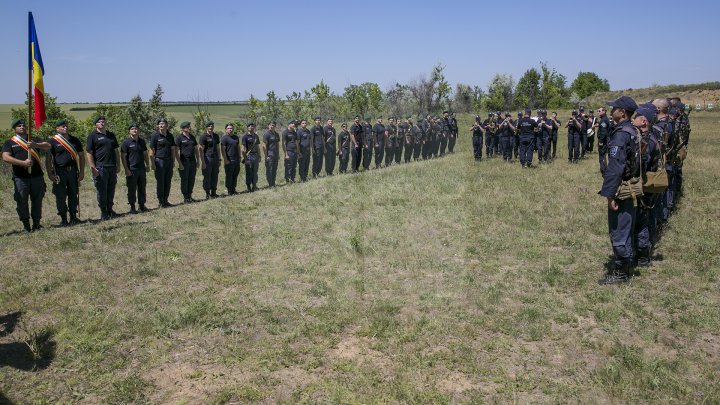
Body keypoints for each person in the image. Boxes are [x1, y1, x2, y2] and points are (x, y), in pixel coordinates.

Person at [598, 96, 640, 285]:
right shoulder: (633, 130)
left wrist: (609, 194)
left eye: (615, 107)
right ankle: (627, 265)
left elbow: (615, 167)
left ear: (622, 112)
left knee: (618, 230)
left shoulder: (622, 134)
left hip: (623, 189)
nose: (611, 110)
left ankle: (620, 274)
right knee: (626, 228)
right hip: (633, 186)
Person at [2, 119, 49, 231]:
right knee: (22, 201)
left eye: (23, 125)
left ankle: (37, 224)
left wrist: (35, 144)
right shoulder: (10, 142)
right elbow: (5, 157)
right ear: (14, 128)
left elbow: (48, 146)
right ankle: (26, 226)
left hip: (37, 176)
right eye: (19, 125)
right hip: (21, 178)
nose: (22, 127)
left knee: (37, 201)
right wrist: (22, 163)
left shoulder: (33, 139)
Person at [632, 104, 661, 267]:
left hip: (643, 186)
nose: (633, 118)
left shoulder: (646, 141)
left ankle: (642, 256)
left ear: (644, 121)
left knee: (641, 221)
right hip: (646, 185)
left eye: (636, 116)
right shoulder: (650, 137)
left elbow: (641, 164)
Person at [46, 119, 84, 225]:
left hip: (73, 171)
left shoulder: (75, 140)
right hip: (59, 172)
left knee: (73, 194)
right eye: (62, 126)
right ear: (57, 128)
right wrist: (50, 174)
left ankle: (73, 217)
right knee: (60, 195)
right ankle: (63, 218)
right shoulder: (52, 141)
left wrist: (81, 172)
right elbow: (48, 159)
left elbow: (81, 156)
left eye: (66, 125)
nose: (65, 127)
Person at [86, 115, 120, 220]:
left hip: (111, 166)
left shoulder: (111, 135)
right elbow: (89, 152)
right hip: (100, 167)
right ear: (96, 124)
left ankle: (110, 209)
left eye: (103, 121)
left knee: (111, 189)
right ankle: (104, 212)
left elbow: (116, 151)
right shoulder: (92, 136)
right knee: (102, 191)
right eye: (100, 122)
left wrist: (118, 164)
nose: (102, 123)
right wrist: (92, 167)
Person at [120, 123, 150, 213]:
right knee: (131, 189)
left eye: (136, 129)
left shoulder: (142, 141)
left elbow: (145, 154)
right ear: (129, 131)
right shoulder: (126, 143)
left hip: (141, 169)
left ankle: (142, 206)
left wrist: (147, 165)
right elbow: (123, 157)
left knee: (142, 187)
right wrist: (126, 169)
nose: (135, 130)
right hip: (131, 169)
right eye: (132, 129)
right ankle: (132, 207)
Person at [149, 118, 176, 207]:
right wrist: (152, 164)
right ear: (158, 126)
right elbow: (151, 151)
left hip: (169, 161)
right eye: (159, 124)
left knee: (168, 181)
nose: (161, 125)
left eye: (163, 123)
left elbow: (173, 149)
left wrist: (173, 160)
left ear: (167, 125)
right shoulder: (155, 136)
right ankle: (161, 202)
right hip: (159, 161)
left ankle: (166, 200)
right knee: (160, 182)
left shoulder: (170, 136)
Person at [175, 121, 200, 203]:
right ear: (183, 128)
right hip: (184, 162)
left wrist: (198, 160)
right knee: (185, 179)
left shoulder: (192, 137)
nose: (189, 127)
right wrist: (180, 163)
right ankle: (185, 197)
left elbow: (196, 149)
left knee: (191, 179)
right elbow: (176, 152)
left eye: (189, 126)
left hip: (193, 161)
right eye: (187, 126)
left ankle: (190, 196)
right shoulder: (179, 138)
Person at [199, 121, 220, 198]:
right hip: (207, 158)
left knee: (215, 175)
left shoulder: (216, 136)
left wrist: (219, 159)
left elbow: (218, 148)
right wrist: (203, 162)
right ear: (206, 127)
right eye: (209, 126)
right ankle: (207, 194)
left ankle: (214, 192)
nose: (211, 127)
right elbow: (200, 150)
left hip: (215, 158)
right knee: (207, 176)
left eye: (212, 126)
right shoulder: (203, 137)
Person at [220, 123, 241, 194]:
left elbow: (238, 147)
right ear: (226, 130)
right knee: (229, 175)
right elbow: (223, 150)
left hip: (236, 159)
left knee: (235, 175)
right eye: (229, 128)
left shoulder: (236, 137)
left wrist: (240, 156)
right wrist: (225, 160)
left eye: (231, 128)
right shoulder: (224, 138)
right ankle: (229, 190)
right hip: (229, 160)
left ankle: (233, 189)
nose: (230, 129)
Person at [241, 123, 260, 192]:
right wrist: (245, 159)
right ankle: (248, 187)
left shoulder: (256, 136)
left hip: (256, 156)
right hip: (249, 156)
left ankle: (254, 186)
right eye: (249, 126)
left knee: (255, 171)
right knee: (249, 172)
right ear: (247, 128)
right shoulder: (245, 137)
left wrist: (259, 155)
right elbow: (243, 149)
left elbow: (257, 147)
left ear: (254, 127)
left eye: (252, 126)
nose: (251, 127)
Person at [263, 121, 280, 186]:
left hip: (275, 154)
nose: (272, 126)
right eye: (271, 125)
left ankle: (273, 182)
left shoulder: (276, 134)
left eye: (273, 125)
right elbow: (264, 145)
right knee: (269, 169)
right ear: (268, 126)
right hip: (269, 154)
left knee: (274, 169)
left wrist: (278, 154)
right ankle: (270, 184)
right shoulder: (266, 134)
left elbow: (277, 144)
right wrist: (266, 155)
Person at [596, 107, 612, 174]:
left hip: (604, 141)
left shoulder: (603, 120)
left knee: (602, 155)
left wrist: (601, 141)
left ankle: (604, 170)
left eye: (599, 111)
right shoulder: (604, 119)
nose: (598, 112)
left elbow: (603, 132)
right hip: (605, 140)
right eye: (598, 110)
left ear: (604, 111)